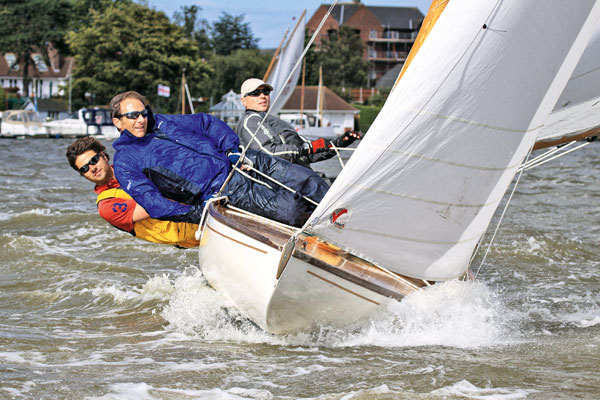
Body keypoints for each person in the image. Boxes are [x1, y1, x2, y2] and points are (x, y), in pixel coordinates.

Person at [109, 91, 329, 227]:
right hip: (226, 191)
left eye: (143, 113)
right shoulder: (125, 162)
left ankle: (350, 220)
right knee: (294, 211)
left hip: (243, 160)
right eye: (133, 116)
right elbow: (153, 203)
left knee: (310, 182)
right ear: (118, 122)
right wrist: (197, 213)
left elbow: (206, 123)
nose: (141, 120)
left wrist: (231, 148)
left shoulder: (161, 122)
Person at [66, 137, 199, 248]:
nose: (92, 168)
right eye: (84, 168)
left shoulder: (131, 163)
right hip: (190, 233)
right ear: (83, 175)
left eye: (94, 160)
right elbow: (155, 206)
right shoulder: (106, 205)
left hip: (199, 201)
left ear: (104, 156)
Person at [235, 78, 362, 169]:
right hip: (285, 184)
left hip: (302, 176)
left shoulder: (274, 121)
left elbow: (307, 151)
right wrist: (305, 149)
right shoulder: (250, 121)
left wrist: (339, 143)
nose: (262, 96)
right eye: (255, 93)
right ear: (244, 101)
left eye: (266, 92)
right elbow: (270, 153)